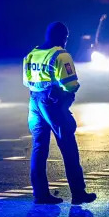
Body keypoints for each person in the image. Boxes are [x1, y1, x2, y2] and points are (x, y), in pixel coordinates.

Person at [23, 22, 97, 205]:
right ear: (63, 37)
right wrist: (64, 96)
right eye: (66, 38)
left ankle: (40, 194)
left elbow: (26, 81)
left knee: (39, 148)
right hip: (53, 105)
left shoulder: (31, 54)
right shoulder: (61, 55)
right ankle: (78, 193)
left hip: (34, 103)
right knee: (68, 147)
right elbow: (71, 84)